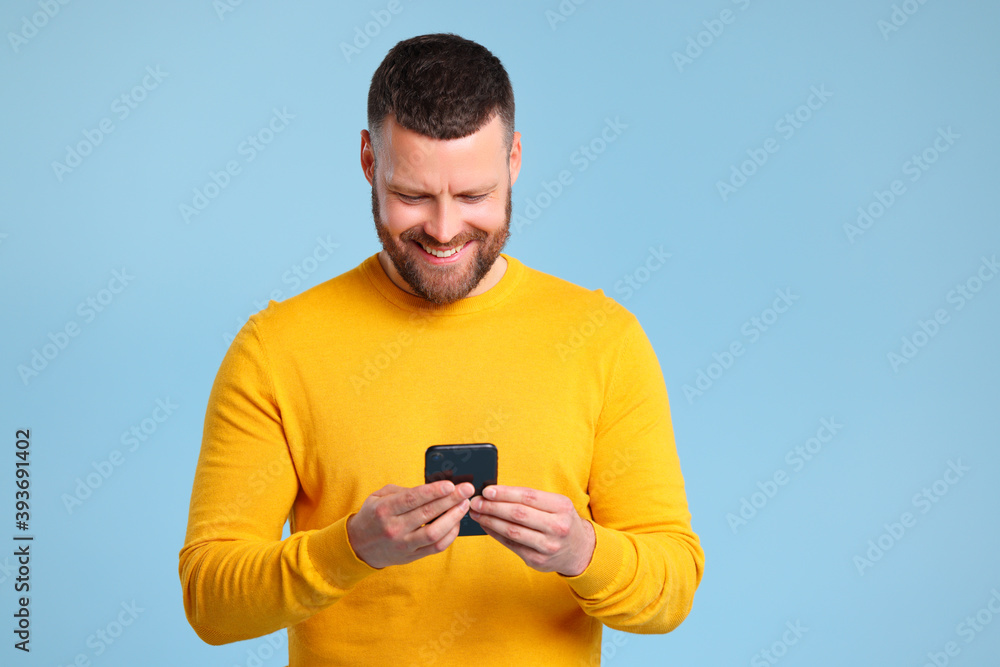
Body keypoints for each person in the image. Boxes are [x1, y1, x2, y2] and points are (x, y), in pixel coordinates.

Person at [179, 32, 703, 666]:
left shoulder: (603, 339)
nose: (446, 229)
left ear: (514, 160)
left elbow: (671, 590)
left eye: (475, 196)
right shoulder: (276, 349)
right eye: (413, 197)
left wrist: (581, 553)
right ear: (370, 161)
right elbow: (210, 601)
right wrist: (349, 549)